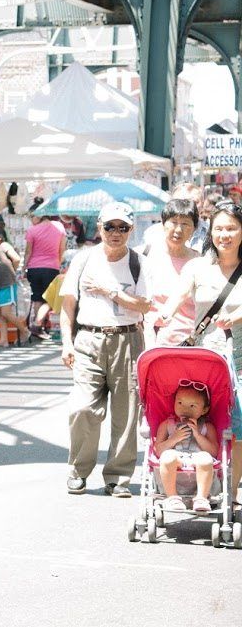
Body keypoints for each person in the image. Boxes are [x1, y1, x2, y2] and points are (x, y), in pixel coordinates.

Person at [59, 201, 151, 497]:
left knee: (126, 413)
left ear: (130, 230)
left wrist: (111, 292)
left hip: (128, 339)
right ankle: (78, 470)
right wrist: (66, 343)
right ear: (99, 227)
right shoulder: (84, 259)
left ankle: (118, 477)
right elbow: (67, 306)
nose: (115, 233)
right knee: (83, 407)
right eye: (110, 226)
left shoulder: (139, 262)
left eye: (122, 227)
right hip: (88, 339)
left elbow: (145, 305)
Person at [154, 200, 242, 506]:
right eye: (219, 228)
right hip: (207, 363)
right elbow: (177, 297)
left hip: (239, 359)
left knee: (240, 429)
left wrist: (238, 316)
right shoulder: (197, 267)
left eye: (232, 228)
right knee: (219, 423)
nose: (225, 235)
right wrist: (163, 316)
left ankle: (232, 492)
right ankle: (219, 491)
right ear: (210, 232)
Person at [152, 382, 219, 514]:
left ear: (204, 410)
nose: (185, 409)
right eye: (180, 403)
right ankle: (172, 497)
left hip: (197, 457)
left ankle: (201, 498)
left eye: (192, 406)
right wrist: (174, 438)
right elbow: (158, 450)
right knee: (167, 457)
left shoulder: (207, 427)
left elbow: (214, 452)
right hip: (176, 457)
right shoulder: (167, 424)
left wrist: (198, 435)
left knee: (205, 459)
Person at [142, 198, 199, 345]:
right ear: (163, 223)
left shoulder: (200, 262)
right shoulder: (145, 256)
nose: (178, 230)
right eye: (173, 222)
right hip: (154, 342)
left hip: (192, 342)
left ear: (194, 228)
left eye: (185, 224)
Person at [23, 211, 66, 339]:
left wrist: (24, 268)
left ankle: (39, 326)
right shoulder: (59, 227)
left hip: (34, 268)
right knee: (50, 298)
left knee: (37, 297)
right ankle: (38, 324)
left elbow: (28, 252)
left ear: (38, 216)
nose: (31, 219)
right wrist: (58, 262)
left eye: (32, 216)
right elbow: (62, 248)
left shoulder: (32, 230)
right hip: (52, 267)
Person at [0, 226, 31, 347]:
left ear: (0, 237)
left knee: (6, 313)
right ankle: (3, 339)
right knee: (1, 312)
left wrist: (12, 271)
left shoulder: (4, 246)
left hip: (7, 283)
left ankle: (25, 331)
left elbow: (16, 258)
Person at [142, 183, 202, 252]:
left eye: (195, 202)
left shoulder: (211, 231)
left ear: (203, 203)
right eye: (180, 202)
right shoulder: (152, 233)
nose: (188, 207)